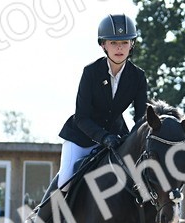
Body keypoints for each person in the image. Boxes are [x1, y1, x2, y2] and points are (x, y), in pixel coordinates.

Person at [55, 13, 148, 188]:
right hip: (80, 138)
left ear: (132, 44)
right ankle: (52, 205)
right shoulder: (91, 72)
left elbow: (141, 118)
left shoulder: (138, 76)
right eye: (113, 42)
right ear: (103, 44)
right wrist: (104, 137)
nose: (119, 48)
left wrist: (135, 139)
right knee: (65, 181)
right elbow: (81, 117)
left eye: (124, 42)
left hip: (116, 139)